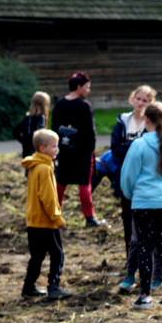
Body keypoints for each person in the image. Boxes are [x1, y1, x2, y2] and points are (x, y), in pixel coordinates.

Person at [120, 103, 162, 310]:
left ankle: (145, 296)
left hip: (143, 202)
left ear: (146, 119)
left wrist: (131, 195)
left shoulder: (139, 145)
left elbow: (128, 176)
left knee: (145, 247)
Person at [111, 85, 157, 293]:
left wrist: (129, 146)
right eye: (138, 99)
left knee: (148, 227)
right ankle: (130, 265)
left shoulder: (151, 123)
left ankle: (149, 266)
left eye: (145, 100)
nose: (140, 103)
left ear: (150, 103)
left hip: (146, 180)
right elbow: (115, 149)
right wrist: (135, 147)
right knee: (128, 224)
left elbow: (150, 150)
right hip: (125, 177)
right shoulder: (123, 121)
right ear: (132, 99)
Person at [21, 129, 71, 300]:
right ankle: (54, 287)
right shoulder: (44, 168)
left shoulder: (34, 165)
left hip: (33, 220)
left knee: (37, 255)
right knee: (57, 254)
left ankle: (28, 286)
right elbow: (48, 197)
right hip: (46, 221)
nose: (57, 149)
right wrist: (57, 218)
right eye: (54, 146)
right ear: (42, 148)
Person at [52, 72, 104, 228]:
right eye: (87, 87)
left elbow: (54, 128)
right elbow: (90, 132)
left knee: (61, 183)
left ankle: (54, 215)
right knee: (84, 184)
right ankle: (90, 218)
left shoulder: (60, 104)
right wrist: (91, 151)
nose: (88, 90)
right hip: (82, 152)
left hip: (64, 150)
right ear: (79, 87)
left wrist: (57, 147)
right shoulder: (84, 105)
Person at [13, 90, 50, 161]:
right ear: (44, 105)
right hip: (36, 151)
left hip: (26, 150)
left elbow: (15, 131)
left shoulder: (27, 117)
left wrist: (23, 141)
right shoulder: (41, 117)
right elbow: (41, 133)